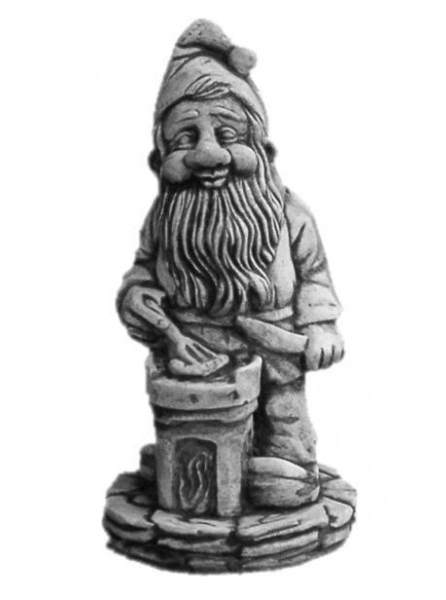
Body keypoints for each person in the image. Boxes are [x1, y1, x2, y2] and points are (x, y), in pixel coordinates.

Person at [117, 20, 344, 507]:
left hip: (278, 350)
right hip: (195, 355)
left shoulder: (288, 214)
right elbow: (143, 273)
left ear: (261, 148)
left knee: (285, 429)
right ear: (161, 157)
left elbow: (314, 274)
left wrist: (321, 326)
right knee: (196, 429)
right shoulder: (165, 218)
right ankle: (203, 476)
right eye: (186, 138)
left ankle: (272, 468)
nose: (207, 154)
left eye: (226, 133)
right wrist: (140, 299)